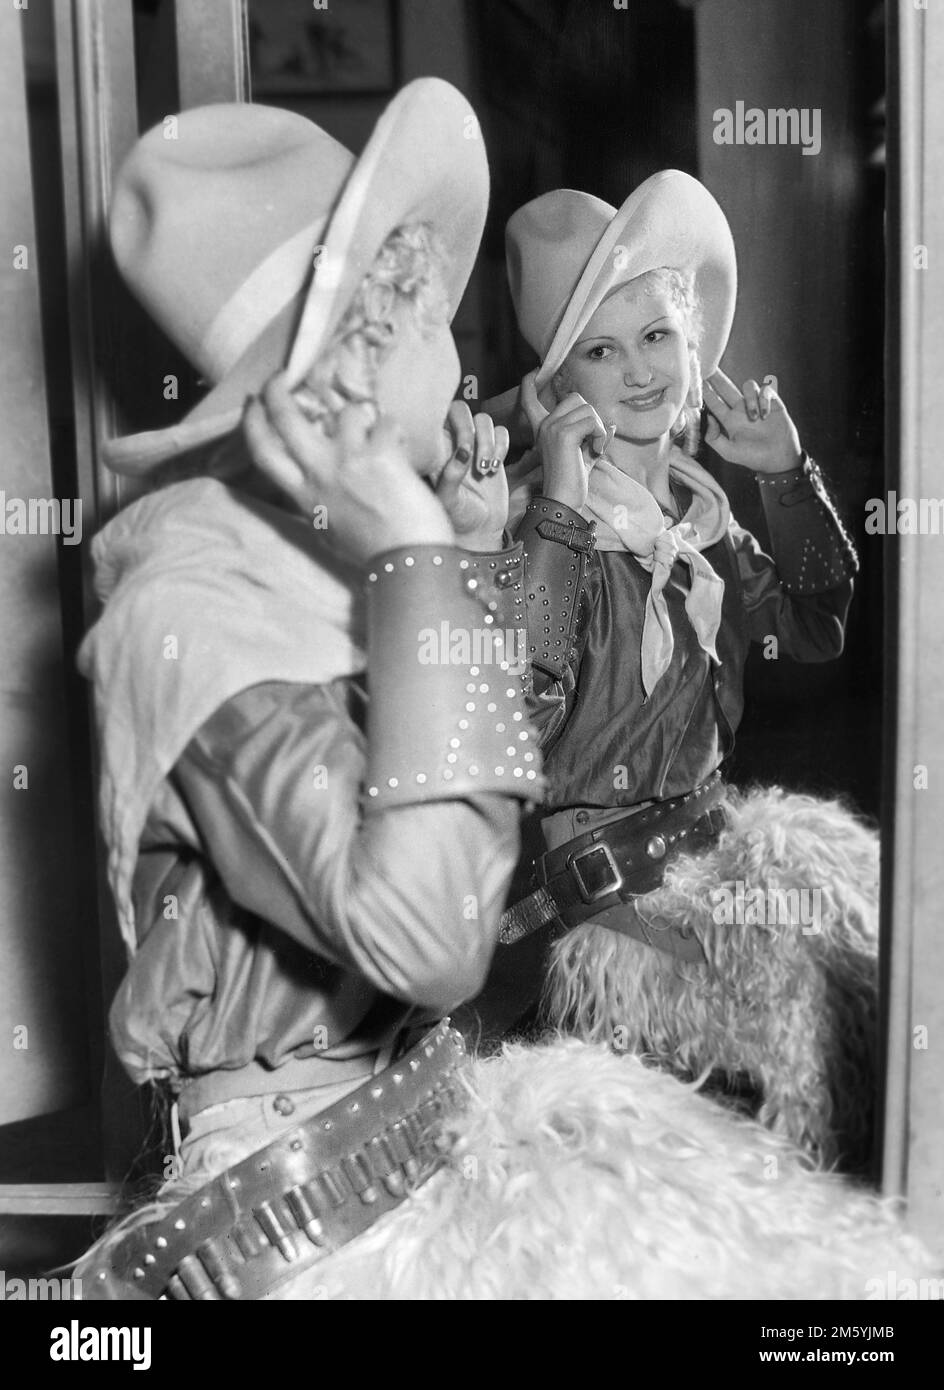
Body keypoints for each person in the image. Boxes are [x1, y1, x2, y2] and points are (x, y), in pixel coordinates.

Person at [75, 79, 541, 1301]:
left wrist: (453, 565)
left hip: (391, 1125)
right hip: (294, 1206)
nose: (458, 364)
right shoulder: (197, 611)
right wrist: (418, 562)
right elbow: (434, 938)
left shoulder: (317, 552)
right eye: (424, 319)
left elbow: (481, 843)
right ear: (340, 368)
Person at [489, 171, 858, 999]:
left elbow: (814, 629)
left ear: (695, 344)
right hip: (605, 925)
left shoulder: (706, 518)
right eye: (601, 350)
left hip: (707, 868)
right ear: (559, 388)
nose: (639, 372)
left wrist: (788, 477)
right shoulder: (531, 522)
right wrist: (558, 507)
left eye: (657, 336)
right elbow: (517, 716)